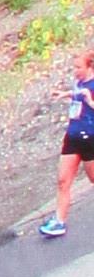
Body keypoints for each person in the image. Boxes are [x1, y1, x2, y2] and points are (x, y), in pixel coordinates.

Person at [37, 46, 94, 238]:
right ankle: (59, 222)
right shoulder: (78, 82)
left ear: (90, 67)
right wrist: (65, 94)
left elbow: (87, 99)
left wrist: (90, 101)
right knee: (63, 180)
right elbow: (78, 95)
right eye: (74, 67)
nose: (75, 71)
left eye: (79, 67)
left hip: (89, 137)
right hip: (72, 136)